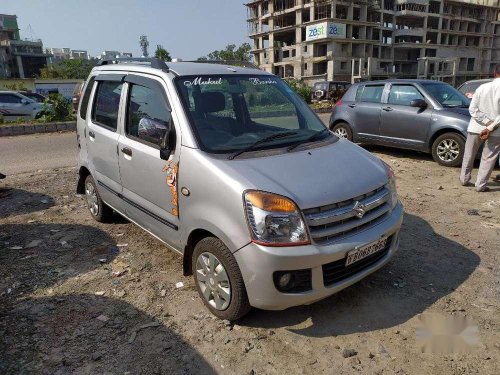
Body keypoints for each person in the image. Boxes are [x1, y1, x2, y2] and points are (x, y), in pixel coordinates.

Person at [460, 64, 500, 192]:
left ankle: (464, 179)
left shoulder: (482, 87)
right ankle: (480, 185)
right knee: (488, 158)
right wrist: (491, 126)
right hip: (496, 130)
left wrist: (486, 122)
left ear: (495, 72)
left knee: (469, 154)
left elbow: (472, 109)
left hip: (476, 127)